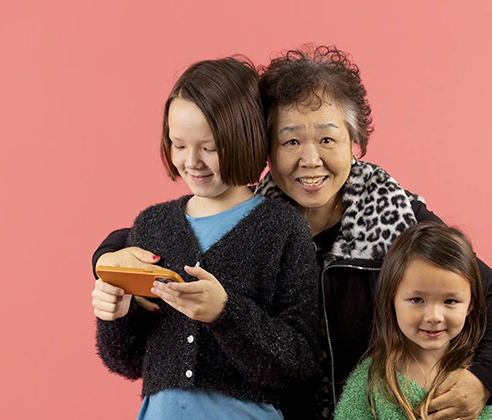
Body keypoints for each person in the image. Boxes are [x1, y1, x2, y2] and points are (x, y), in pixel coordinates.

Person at [92, 45, 492, 420]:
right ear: (263, 146)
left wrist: (484, 378)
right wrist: (106, 263)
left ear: (355, 142)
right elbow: (144, 241)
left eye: (329, 140)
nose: (310, 160)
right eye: (291, 141)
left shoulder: (398, 216)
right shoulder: (248, 213)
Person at [91, 57, 321, 420]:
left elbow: (300, 362)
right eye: (178, 144)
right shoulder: (152, 225)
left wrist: (226, 313)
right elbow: (124, 361)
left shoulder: (281, 228)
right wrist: (117, 315)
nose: (191, 161)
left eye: (209, 147)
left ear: (245, 138)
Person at [333, 222, 492, 419]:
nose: (433, 317)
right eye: (416, 300)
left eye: (450, 301)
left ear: (471, 304)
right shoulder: (368, 386)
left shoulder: (489, 381)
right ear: (391, 299)